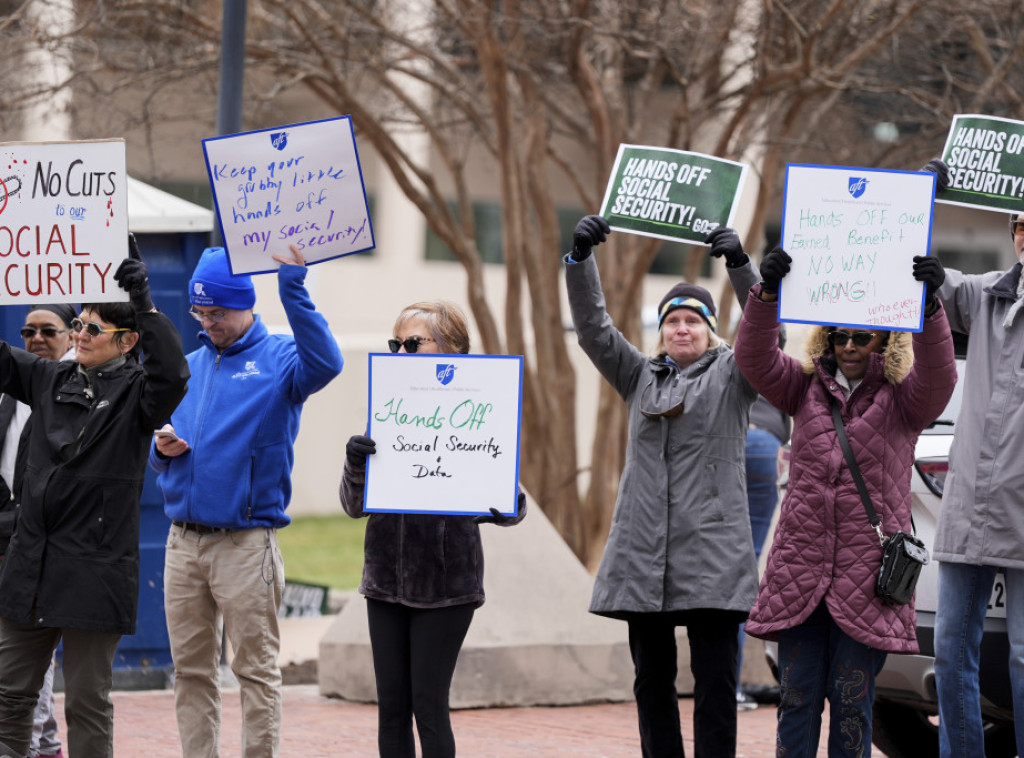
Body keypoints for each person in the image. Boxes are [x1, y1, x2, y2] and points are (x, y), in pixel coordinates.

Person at [732, 245, 957, 757]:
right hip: (800, 575)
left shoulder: (904, 402)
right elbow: (754, 357)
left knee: (854, 705)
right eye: (840, 335)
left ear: (884, 339)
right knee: (797, 699)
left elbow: (941, 378)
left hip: (867, 582)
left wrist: (929, 308)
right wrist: (765, 296)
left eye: (862, 336)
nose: (850, 345)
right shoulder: (803, 389)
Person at [565, 215, 761, 758]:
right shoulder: (638, 377)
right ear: (661, 331)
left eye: (693, 321)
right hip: (642, 555)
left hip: (713, 557)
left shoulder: (734, 376)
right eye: (672, 320)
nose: (682, 329)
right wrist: (581, 260)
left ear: (710, 330)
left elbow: (769, 335)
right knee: (651, 682)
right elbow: (593, 331)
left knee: (716, 684)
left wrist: (741, 268)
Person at [150, 244, 343, 758]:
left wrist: (294, 290)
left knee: (254, 672)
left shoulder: (281, 360)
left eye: (217, 312)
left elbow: (328, 363)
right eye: (200, 312)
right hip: (182, 544)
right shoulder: (187, 367)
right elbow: (159, 445)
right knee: (190, 671)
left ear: (246, 305)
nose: (207, 321)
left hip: (245, 544)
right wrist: (160, 449)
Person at [0, 246, 190, 758]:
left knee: (86, 702)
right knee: (9, 698)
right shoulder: (48, 378)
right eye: (78, 324)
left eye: (92, 329)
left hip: (94, 570)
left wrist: (145, 304)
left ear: (127, 342)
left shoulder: (139, 393)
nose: (78, 336)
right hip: (30, 567)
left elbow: (173, 373)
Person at [340, 300, 526, 758]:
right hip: (384, 583)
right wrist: (355, 463)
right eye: (394, 344)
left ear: (452, 349)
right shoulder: (387, 411)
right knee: (391, 709)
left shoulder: (480, 406)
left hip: (446, 586)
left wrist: (502, 497)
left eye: (412, 343)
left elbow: (511, 504)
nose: (400, 353)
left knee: (428, 706)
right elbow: (351, 506)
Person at [921, 158, 1024, 758]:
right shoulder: (985, 294)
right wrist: (922, 195)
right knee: (949, 651)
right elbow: (914, 272)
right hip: (968, 509)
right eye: (1020, 227)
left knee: (1021, 658)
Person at [704, 228, 793, 712]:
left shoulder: (716, 353)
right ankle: (730, 686)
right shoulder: (766, 346)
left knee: (722, 571)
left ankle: (722, 685)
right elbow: (772, 327)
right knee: (743, 567)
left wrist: (743, 264)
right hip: (766, 449)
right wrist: (744, 265)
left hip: (733, 448)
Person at [0, 304, 78, 758]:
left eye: (48, 330)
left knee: (27, 668)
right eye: (28, 331)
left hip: (51, 548)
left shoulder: (78, 392)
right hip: (8, 541)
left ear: (72, 335)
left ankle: (32, 747)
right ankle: (46, 747)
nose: (36, 338)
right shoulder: (13, 392)